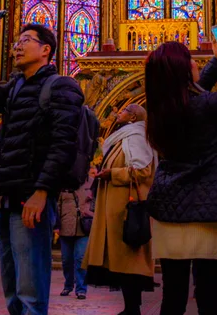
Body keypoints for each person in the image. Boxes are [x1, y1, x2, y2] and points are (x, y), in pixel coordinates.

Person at [0, 19, 85, 315]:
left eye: (26, 40)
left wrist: (42, 191)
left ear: (46, 50)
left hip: (31, 197)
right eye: (16, 41)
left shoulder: (62, 87)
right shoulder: (15, 88)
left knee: (30, 287)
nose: (17, 45)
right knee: (13, 287)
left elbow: (62, 145)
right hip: (5, 195)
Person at [145, 37, 217, 315]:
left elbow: (195, 95)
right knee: (210, 298)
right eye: (190, 59)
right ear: (182, 70)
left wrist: (216, 62)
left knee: (172, 297)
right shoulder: (205, 107)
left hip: (170, 211)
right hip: (206, 211)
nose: (195, 62)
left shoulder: (161, 108)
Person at [83, 105, 155, 315]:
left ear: (133, 116)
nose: (117, 113)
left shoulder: (137, 137)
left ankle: (133, 308)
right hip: (115, 207)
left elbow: (142, 171)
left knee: (129, 258)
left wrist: (112, 174)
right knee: (122, 260)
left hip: (126, 209)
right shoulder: (124, 137)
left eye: (123, 110)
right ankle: (130, 307)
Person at [57, 172, 94, 299]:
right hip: (65, 227)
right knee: (66, 260)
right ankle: (68, 286)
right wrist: (56, 225)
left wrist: (90, 212)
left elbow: (97, 204)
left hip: (84, 227)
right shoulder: (63, 183)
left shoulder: (92, 182)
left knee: (80, 258)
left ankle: (81, 289)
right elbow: (58, 205)